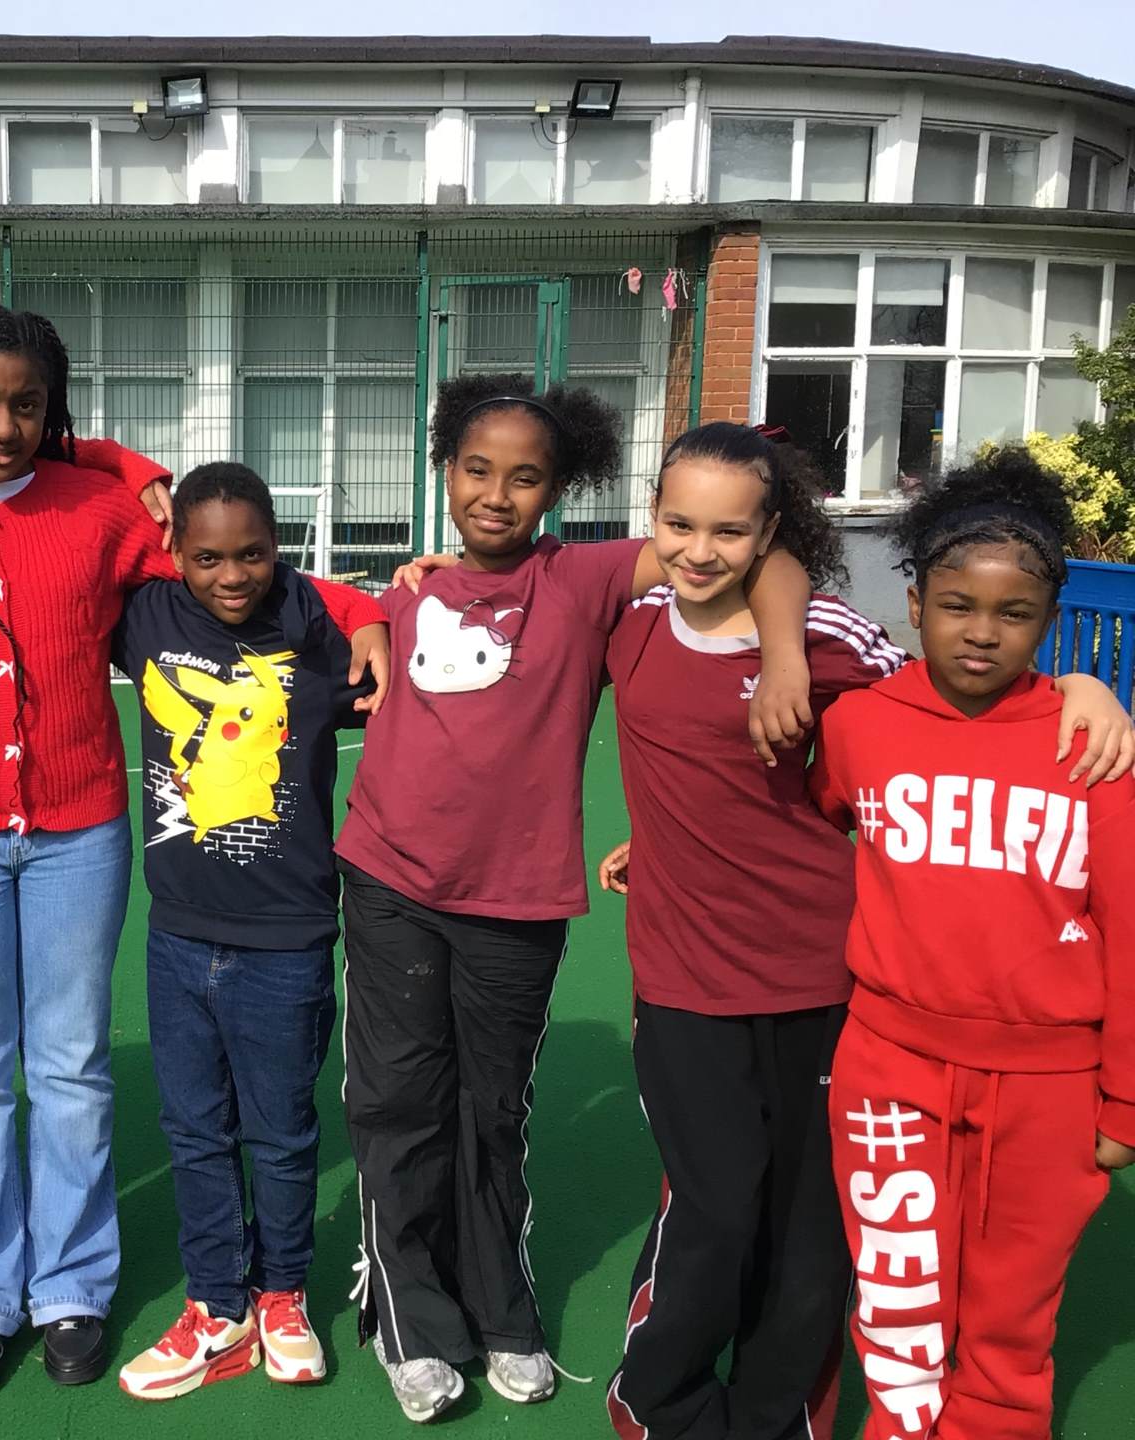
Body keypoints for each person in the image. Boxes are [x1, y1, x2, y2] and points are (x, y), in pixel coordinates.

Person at [0, 306, 391, 1401]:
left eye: (29, 404)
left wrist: (365, 613)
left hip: (77, 831)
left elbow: (241, 568)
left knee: (71, 1063)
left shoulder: (100, 506)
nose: (6, 426)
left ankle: (71, 1284)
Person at [595, 423, 1133, 1440]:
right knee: (718, 1207)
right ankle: (663, 1405)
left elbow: (937, 709)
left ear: (771, 533)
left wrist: (1081, 686)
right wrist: (656, 835)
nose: (702, 548)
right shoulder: (631, 622)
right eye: (679, 524)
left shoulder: (844, 650)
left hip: (831, 989)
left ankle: (782, 1418)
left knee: (819, 1230)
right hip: (698, 983)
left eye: (732, 530)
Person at [341, 374, 816, 1425]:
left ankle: (501, 1307)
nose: (496, 494)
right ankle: (409, 1317)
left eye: (525, 477)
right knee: (398, 1102)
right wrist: (376, 606)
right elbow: (342, 603)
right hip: (389, 882)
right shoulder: (411, 589)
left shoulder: (588, 577)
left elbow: (762, 556)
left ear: (559, 490)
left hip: (517, 899)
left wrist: (785, 654)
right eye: (476, 470)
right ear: (444, 470)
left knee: (492, 1108)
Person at [810, 447, 1135, 1440]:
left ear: (1050, 619)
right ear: (916, 605)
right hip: (889, 1066)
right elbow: (802, 832)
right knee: (899, 1302)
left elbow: (1130, 929)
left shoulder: (1093, 747)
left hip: (1048, 1088)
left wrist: (1124, 1098)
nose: (983, 632)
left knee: (1011, 1319)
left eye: (1014, 613)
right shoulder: (859, 725)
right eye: (957, 605)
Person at [108, 463, 387, 1401]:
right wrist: (133, 474)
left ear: (280, 549)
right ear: (176, 554)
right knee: (194, 1131)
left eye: (254, 554)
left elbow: (379, 606)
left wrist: (376, 614)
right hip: (178, 936)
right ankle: (216, 1305)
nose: (233, 575)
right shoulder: (145, 617)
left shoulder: (313, 623)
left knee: (281, 1133)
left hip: (289, 938)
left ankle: (282, 1296)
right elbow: (81, 513)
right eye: (209, 558)